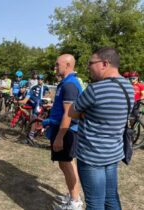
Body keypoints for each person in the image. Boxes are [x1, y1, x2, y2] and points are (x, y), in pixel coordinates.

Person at [69, 47, 134, 210]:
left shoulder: (95, 89)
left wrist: (85, 115)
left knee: (95, 203)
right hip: (113, 153)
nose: (89, 67)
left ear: (104, 63)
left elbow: (72, 112)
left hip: (92, 156)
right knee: (111, 198)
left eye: (91, 63)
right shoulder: (129, 87)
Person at [45, 54, 83, 210]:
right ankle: (74, 196)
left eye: (57, 64)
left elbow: (69, 113)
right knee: (67, 164)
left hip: (66, 131)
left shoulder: (69, 85)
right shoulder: (65, 83)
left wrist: (60, 137)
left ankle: (75, 202)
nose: (54, 67)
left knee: (66, 164)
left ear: (67, 65)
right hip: (63, 129)